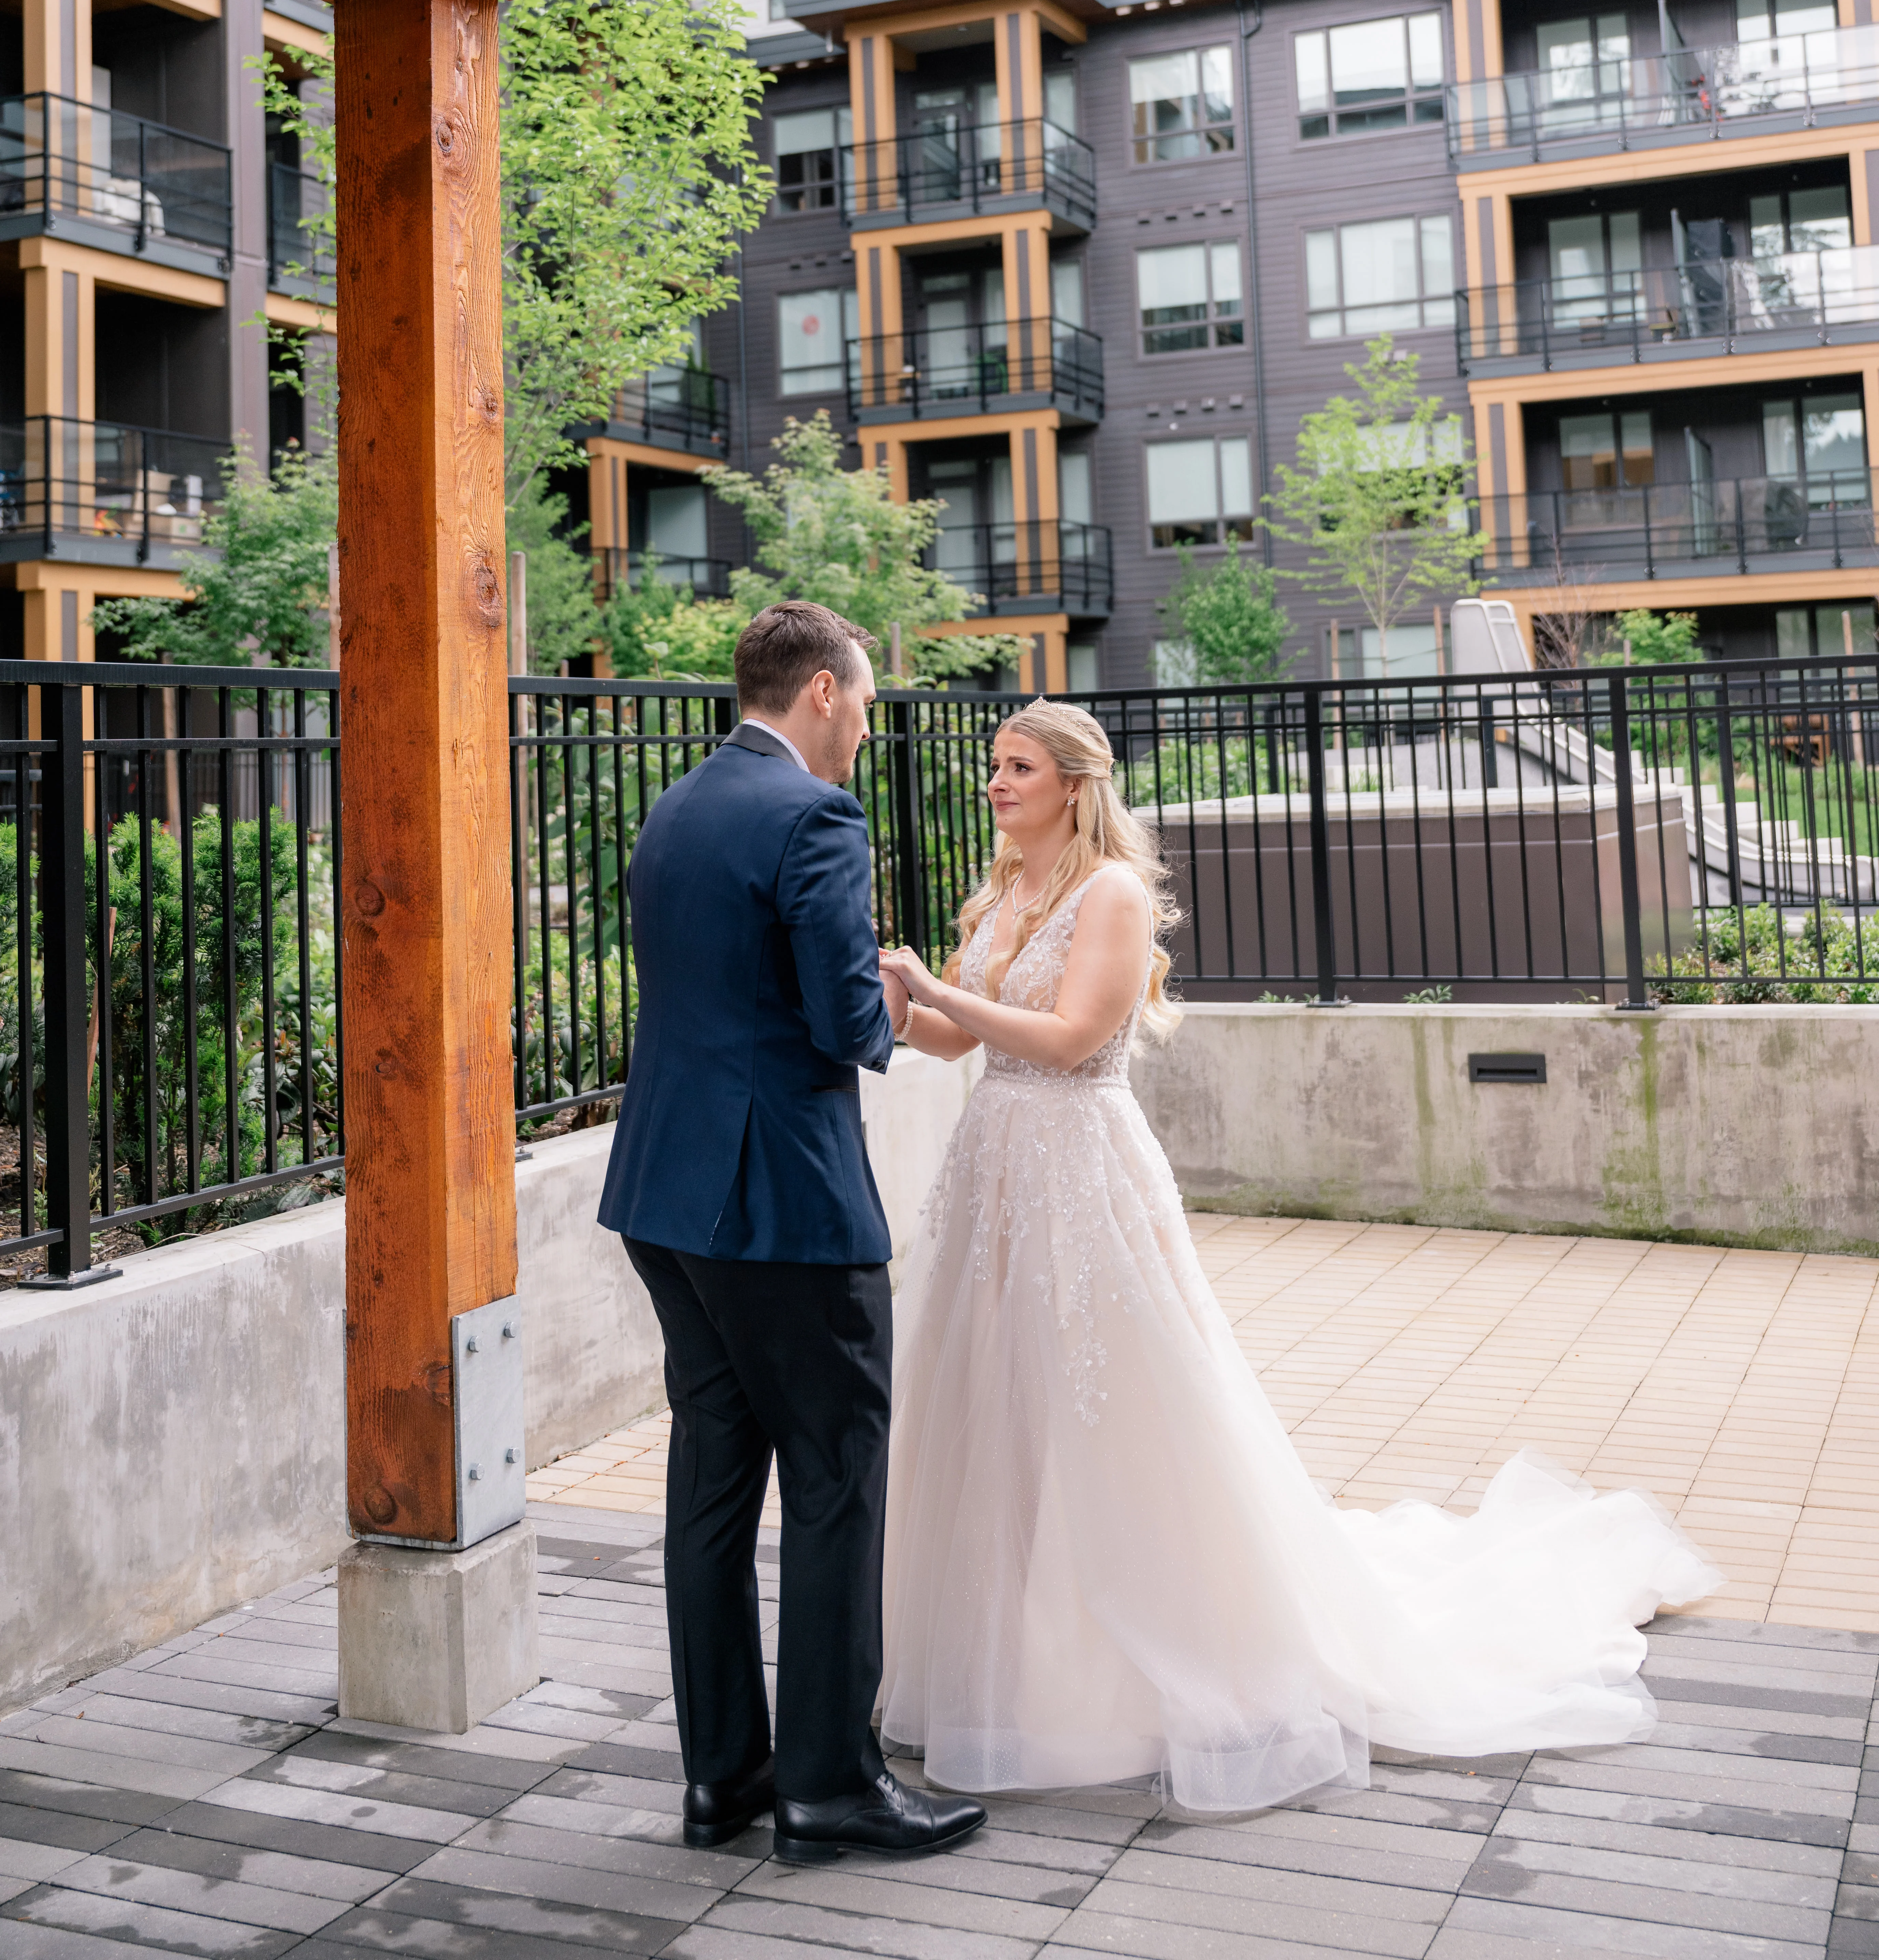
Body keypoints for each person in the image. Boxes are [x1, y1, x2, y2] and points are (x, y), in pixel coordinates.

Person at [877, 697, 1716, 1814]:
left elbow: (1076, 1039)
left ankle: (1136, 1653)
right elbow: (956, 1033)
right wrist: (900, 1007)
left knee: (1112, 1405)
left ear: (1075, 785)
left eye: (1018, 768)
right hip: (994, 1170)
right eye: (996, 767)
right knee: (998, 1404)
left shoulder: (1110, 895)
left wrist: (948, 996)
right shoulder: (1001, 896)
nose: (997, 783)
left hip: (1081, 1171)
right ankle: (1006, 1655)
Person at [597, 600, 985, 1865]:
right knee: (835, 1478)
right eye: (866, 706)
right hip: (780, 1208)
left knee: (713, 1483)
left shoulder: (679, 805)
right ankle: (831, 1786)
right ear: (822, 691)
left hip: (666, 1195)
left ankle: (725, 1780)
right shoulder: (816, 815)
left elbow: (721, 987)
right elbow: (837, 1025)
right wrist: (880, 995)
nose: (868, 732)